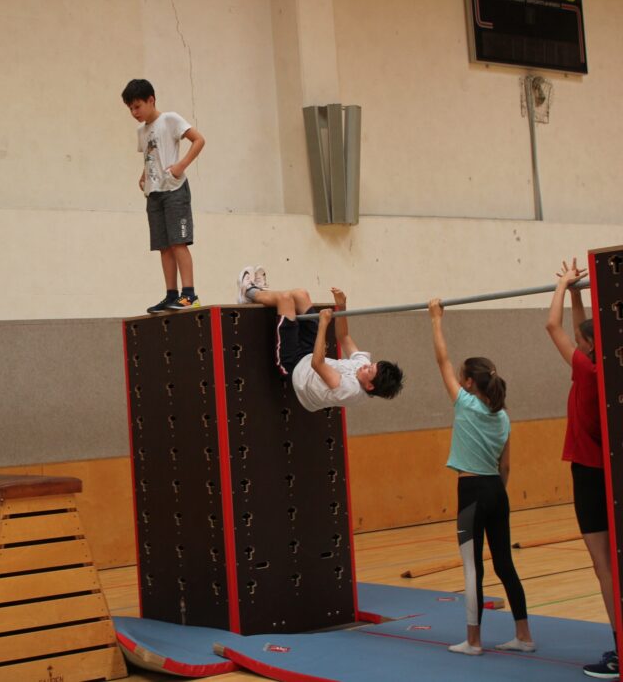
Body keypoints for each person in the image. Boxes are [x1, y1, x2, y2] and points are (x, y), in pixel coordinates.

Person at [427, 298, 534, 656]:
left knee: (473, 569)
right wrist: (497, 494)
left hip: (471, 490)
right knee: (505, 563)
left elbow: (441, 359)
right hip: (495, 491)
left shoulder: (465, 403)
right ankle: (524, 635)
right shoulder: (502, 416)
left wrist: (436, 319)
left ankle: (473, 641)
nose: (457, 376)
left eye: (462, 374)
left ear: (469, 382)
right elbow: (506, 467)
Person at [545, 260, 617, 679]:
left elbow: (551, 328)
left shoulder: (586, 372)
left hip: (589, 475)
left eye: (581, 340)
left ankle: (619, 646)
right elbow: (577, 330)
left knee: (602, 564)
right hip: (602, 471)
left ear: (587, 347)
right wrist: (577, 293)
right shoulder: (603, 367)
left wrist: (560, 287)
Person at [237, 266, 403, 411]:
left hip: (295, 368)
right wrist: (341, 306)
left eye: (369, 370)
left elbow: (317, 364)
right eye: (371, 365)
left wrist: (323, 324)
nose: (366, 366)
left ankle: (248, 291)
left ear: (369, 386)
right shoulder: (363, 367)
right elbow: (343, 336)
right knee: (301, 295)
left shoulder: (350, 391)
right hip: (310, 356)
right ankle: (260, 292)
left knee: (285, 299)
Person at [121, 78, 206, 313]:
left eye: (137, 106)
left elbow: (199, 140)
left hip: (174, 190)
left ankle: (189, 294)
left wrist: (181, 165)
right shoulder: (142, 130)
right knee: (163, 246)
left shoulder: (170, 119)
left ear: (151, 100)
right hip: (154, 193)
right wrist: (144, 175)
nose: (134, 112)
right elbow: (152, 155)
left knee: (178, 242)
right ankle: (171, 294)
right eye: (130, 108)